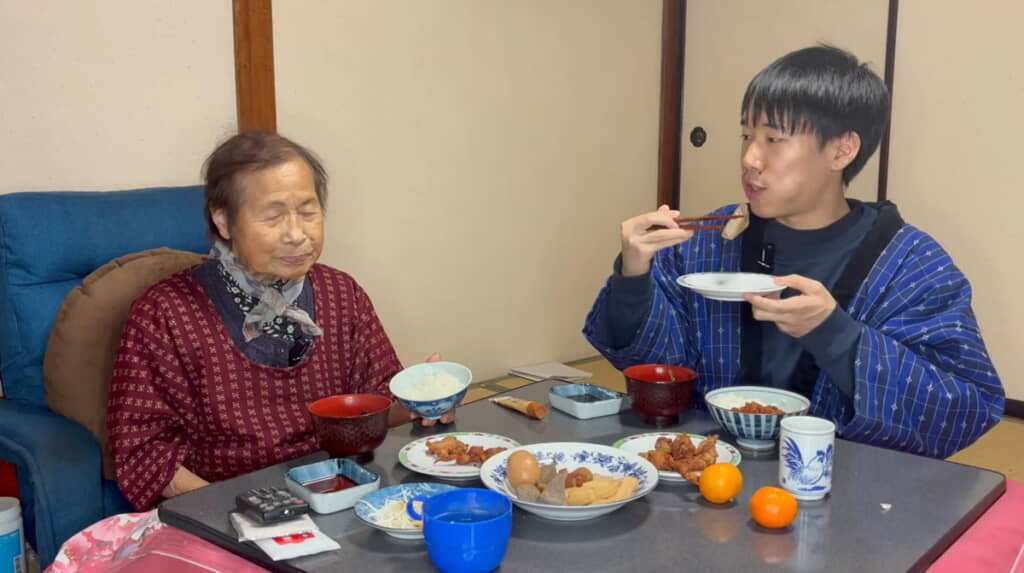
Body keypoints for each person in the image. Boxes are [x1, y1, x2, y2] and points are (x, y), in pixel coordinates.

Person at [583, 45, 1004, 458]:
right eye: (746, 135)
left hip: (851, 492)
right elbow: (657, 371)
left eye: (774, 138)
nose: (750, 158)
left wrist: (836, 334)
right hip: (707, 473)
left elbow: (965, 408)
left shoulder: (912, 263)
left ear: (842, 150)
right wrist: (634, 275)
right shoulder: (708, 241)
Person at [106, 132, 454, 511]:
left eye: (308, 211)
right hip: (223, 506)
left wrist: (422, 400)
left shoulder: (342, 293)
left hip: (340, 495)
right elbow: (145, 454)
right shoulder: (164, 314)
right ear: (223, 221)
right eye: (273, 216)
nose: (297, 234)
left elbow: (378, 403)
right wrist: (244, 511)